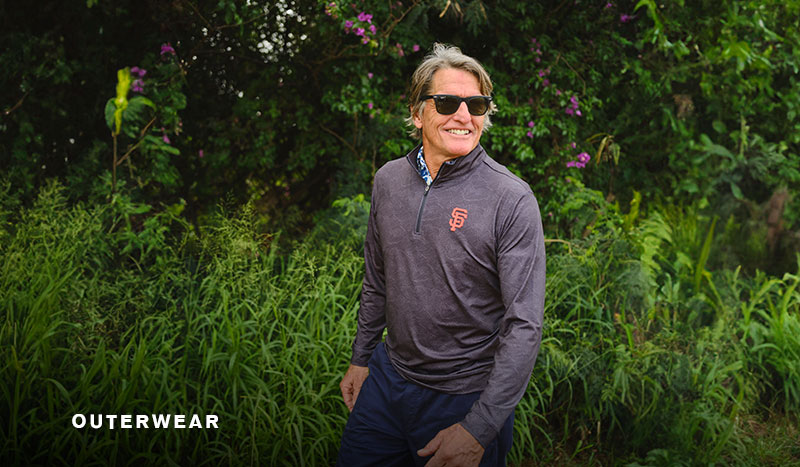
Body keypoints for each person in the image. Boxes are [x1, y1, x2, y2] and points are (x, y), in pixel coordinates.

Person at [337, 43, 546, 467]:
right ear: (417, 113)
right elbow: (377, 280)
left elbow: (524, 326)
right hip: (387, 382)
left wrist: (478, 429)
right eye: (448, 102)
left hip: (465, 400)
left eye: (477, 104)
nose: (464, 116)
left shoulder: (511, 199)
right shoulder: (388, 182)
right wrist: (361, 360)